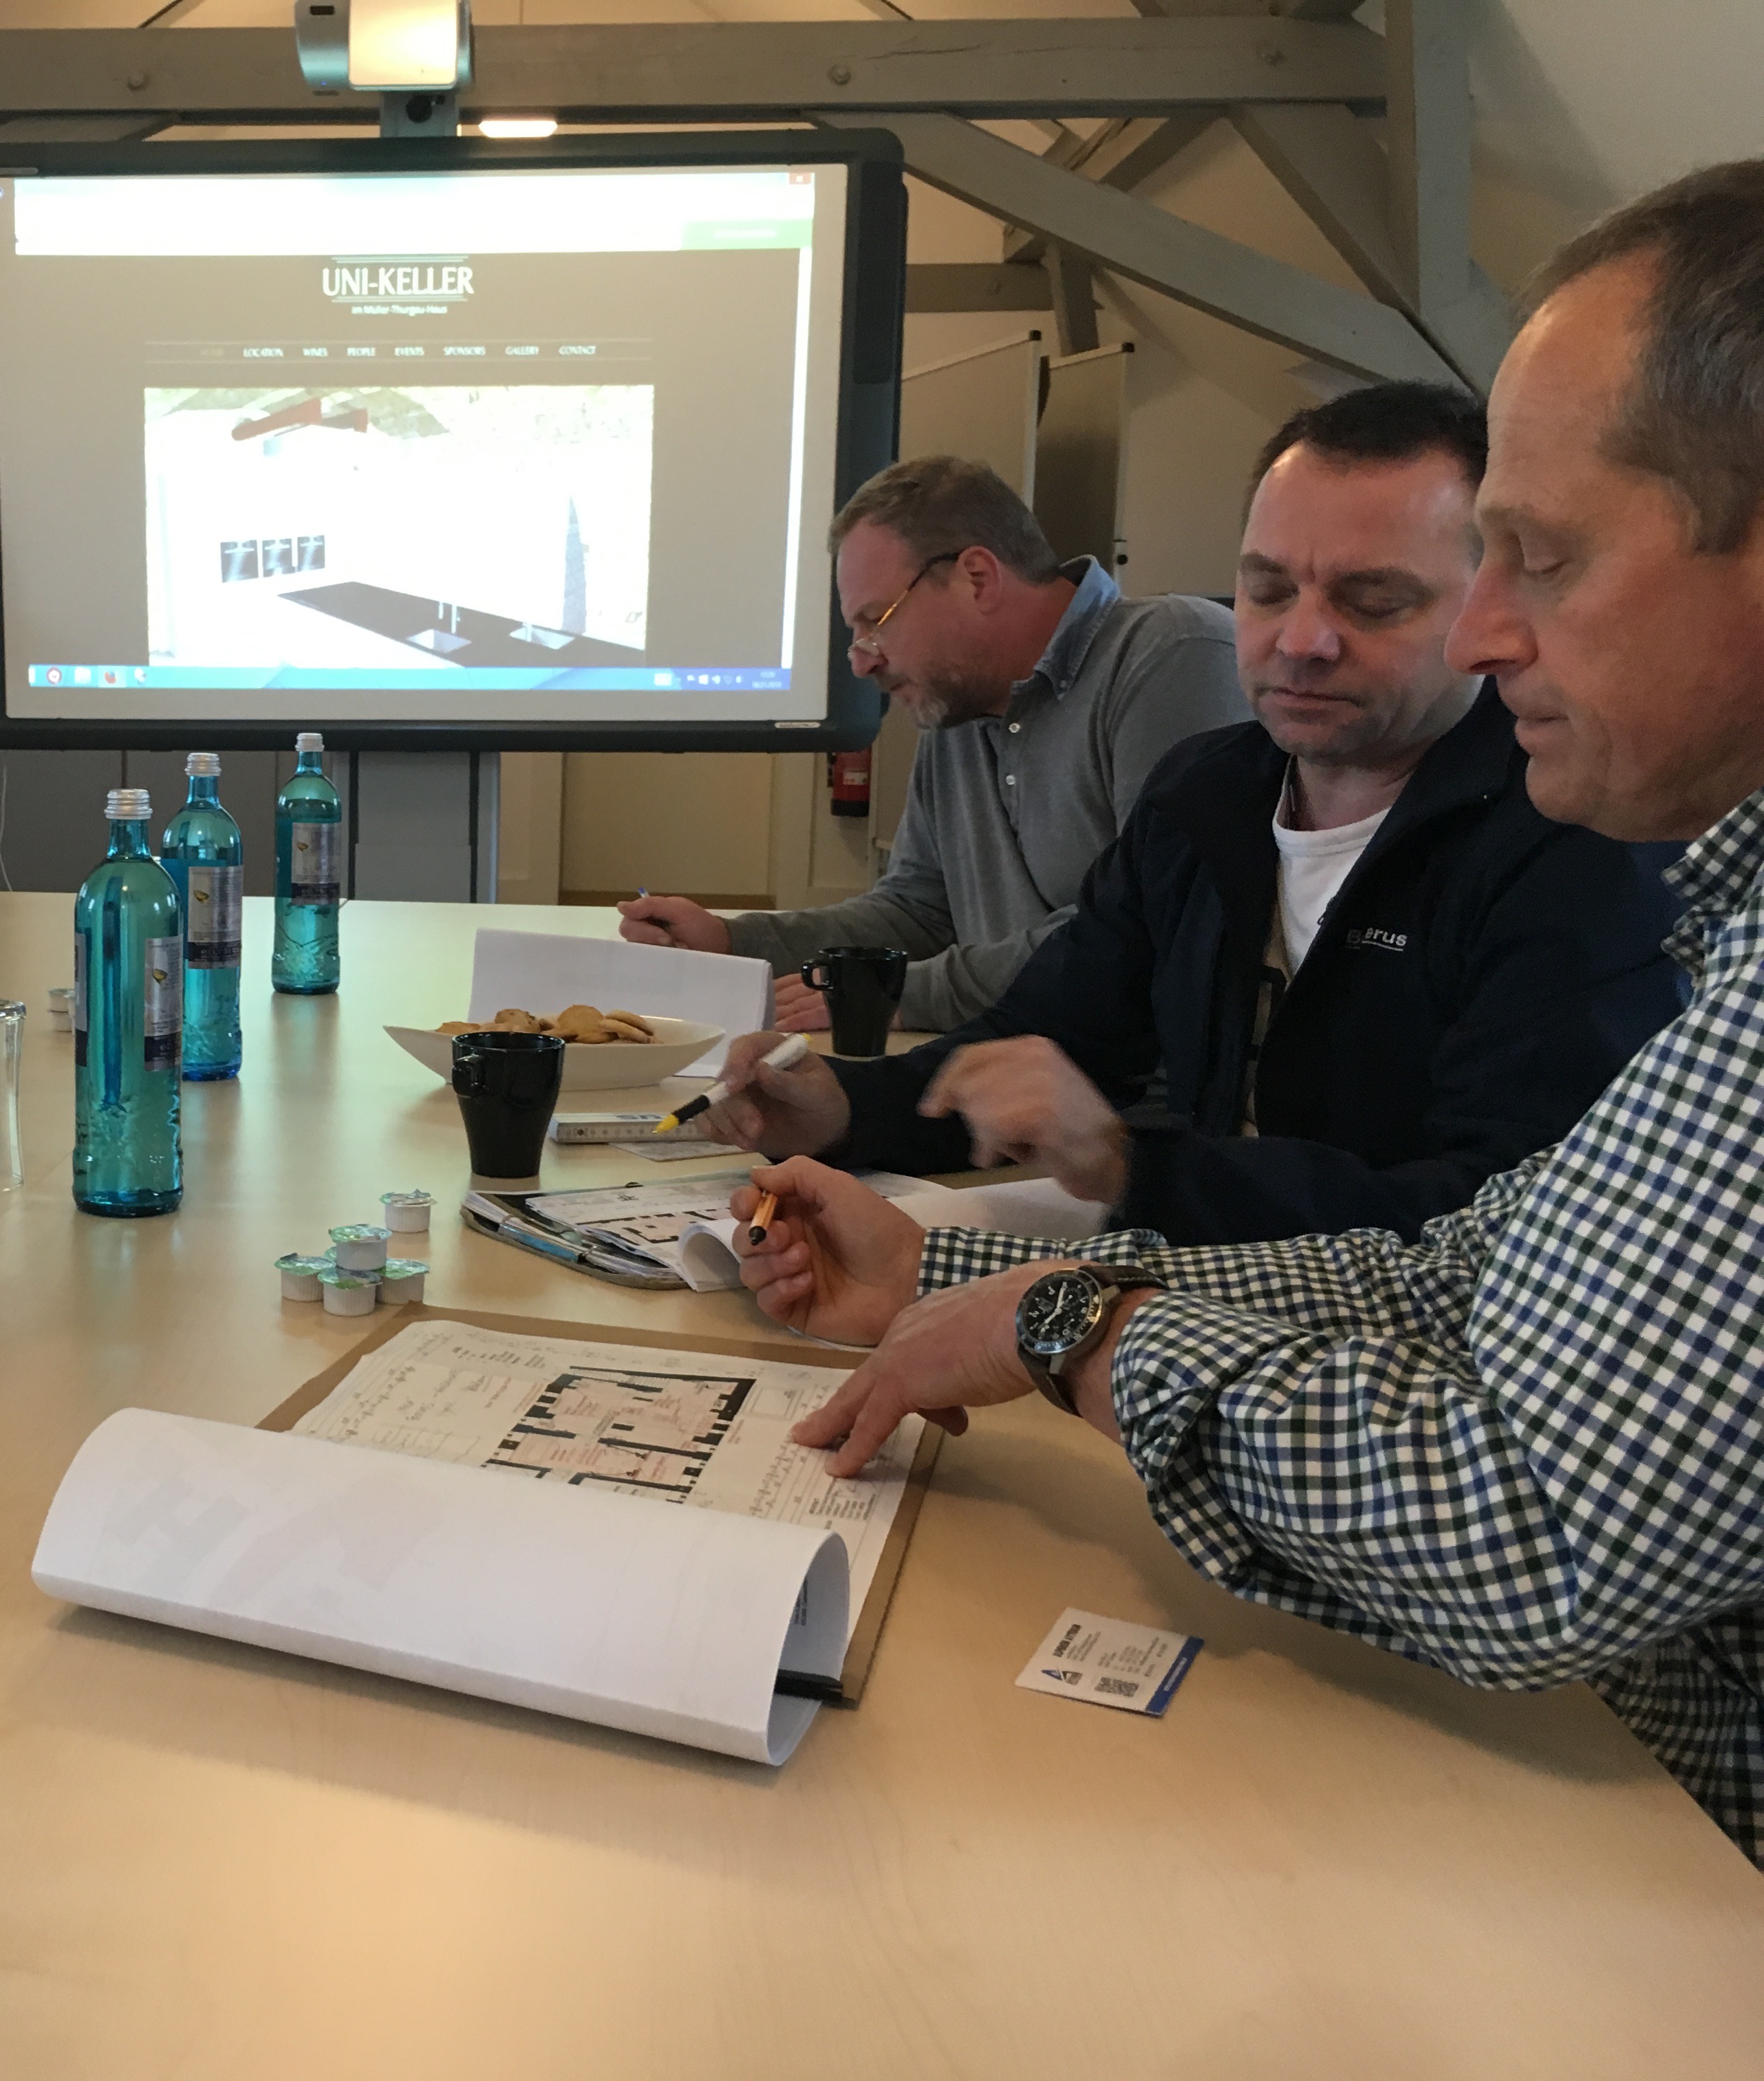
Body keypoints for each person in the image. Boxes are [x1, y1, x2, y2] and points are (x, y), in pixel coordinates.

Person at [730, 160, 1764, 1862]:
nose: (1486, 633)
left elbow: (1521, 1535)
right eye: (1269, 586)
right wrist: (965, 1261)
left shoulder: (1588, 854)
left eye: (1541, 558)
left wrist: (1087, 1318)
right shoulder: (1225, 795)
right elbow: (1475, 1267)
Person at [703, 383, 1684, 1245]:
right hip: (1197, 1301)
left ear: (1488, 606)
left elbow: (1499, 1219)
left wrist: (1132, 1167)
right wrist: (841, 1109)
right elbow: (1041, 1038)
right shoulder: (1205, 795)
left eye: (1373, 602)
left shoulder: (1577, 841)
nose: (1301, 640)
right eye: (1267, 591)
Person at [618, 456, 1245, 1032]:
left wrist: (899, 993)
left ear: (977, 577)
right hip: (1005, 1074)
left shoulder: (1174, 655)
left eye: (876, 620)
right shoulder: (959, 709)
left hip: (1137, 1105)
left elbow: (1141, 930)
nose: (861, 660)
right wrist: (734, 943)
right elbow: (918, 914)